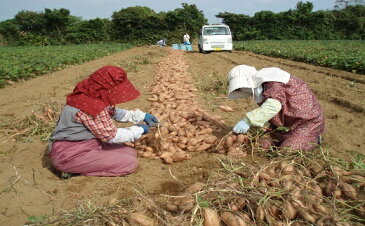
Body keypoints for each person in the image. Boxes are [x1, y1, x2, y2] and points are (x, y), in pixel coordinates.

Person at [48, 66, 159, 178]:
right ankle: (73, 171)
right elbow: (112, 136)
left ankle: (84, 164)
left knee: (131, 153)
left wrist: (141, 116)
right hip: (70, 154)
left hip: (90, 144)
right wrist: (139, 130)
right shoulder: (90, 107)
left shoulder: (90, 94)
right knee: (129, 164)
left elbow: (113, 112)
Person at [227, 65, 324, 151]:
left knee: (287, 150)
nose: (241, 90)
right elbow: (269, 114)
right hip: (283, 125)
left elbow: (273, 106)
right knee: (260, 146)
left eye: (240, 87)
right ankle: (288, 138)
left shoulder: (273, 83)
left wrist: (248, 121)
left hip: (306, 122)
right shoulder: (261, 89)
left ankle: (314, 139)